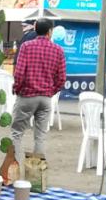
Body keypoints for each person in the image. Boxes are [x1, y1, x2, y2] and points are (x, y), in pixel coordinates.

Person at [10, 18, 66, 161]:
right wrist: (50, 92)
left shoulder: (26, 47)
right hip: (46, 99)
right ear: (50, 32)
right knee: (40, 137)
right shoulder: (58, 50)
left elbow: (19, 73)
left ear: (35, 29)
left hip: (27, 96)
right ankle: (36, 176)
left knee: (17, 133)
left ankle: (14, 169)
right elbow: (61, 79)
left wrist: (17, 89)